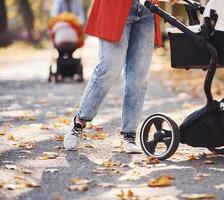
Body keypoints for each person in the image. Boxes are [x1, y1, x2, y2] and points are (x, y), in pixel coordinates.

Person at [63, 0, 179, 153]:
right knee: (109, 68)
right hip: (115, 7)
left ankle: (129, 135)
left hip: (147, 10)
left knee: (138, 77)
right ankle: (79, 122)